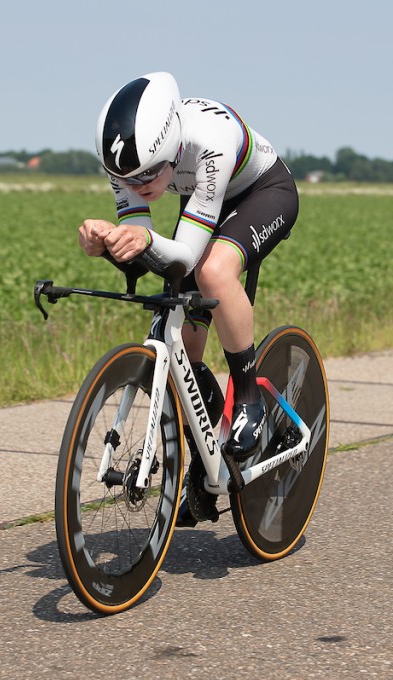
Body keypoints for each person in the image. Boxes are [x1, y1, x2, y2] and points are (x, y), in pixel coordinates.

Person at [78, 71, 299, 464]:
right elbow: (144, 244)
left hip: (262, 192)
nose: (137, 187)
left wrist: (143, 241)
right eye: (124, 180)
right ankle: (201, 457)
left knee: (212, 272)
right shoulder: (129, 164)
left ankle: (249, 400)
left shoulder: (208, 142)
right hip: (202, 194)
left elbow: (183, 256)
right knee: (184, 339)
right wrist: (109, 241)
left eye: (148, 174)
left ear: (174, 149)